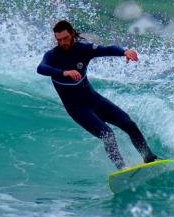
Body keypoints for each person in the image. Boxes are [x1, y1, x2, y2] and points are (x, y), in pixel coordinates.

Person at [37, 20, 158, 169]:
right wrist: (64, 72)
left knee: (129, 124)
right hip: (78, 109)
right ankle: (122, 169)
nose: (62, 43)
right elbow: (41, 68)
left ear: (72, 34)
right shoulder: (52, 56)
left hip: (93, 100)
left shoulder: (83, 49)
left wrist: (124, 52)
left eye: (65, 38)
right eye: (59, 40)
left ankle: (149, 158)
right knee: (108, 135)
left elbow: (106, 50)